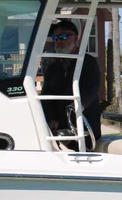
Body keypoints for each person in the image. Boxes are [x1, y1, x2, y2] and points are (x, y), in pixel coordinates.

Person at [41, 20, 101, 148]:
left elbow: (92, 88)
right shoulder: (52, 67)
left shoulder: (88, 62)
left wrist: (80, 105)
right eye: (56, 38)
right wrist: (51, 119)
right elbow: (46, 96)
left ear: (76, 38)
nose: (59, 41)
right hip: (58, 131)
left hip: (85, 128)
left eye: (63, 37)